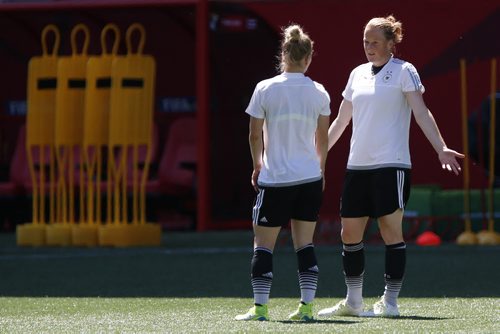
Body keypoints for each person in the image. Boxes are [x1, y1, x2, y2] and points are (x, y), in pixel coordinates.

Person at [318, 15, 464, 318]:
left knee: (390, 232)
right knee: (349, 233)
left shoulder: (404, 71)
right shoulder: (356, 74)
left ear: (390, 42)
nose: (368, 47)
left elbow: (422, 113)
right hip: (357, 166)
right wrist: (317, 155)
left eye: (374, 42)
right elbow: (342, 120)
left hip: (391, 165)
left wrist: (441, 148)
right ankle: (354, 302)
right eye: (365, 41)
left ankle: (390, 301)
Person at [235, 24, 331, 322]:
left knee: (263, 245)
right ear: (309, 58)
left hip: (275, 180)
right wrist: (321, 169)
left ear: (283, 54)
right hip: (309, 179)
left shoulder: (265, 88)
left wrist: (256, 165)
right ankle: (306, 308)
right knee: (306, 244)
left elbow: (253, 135)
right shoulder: (319, 92)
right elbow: (323, 138)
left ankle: (261, 308)